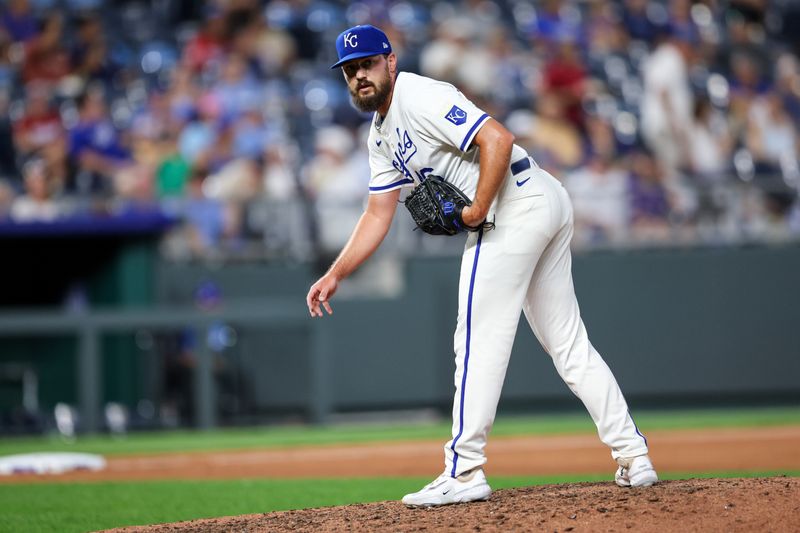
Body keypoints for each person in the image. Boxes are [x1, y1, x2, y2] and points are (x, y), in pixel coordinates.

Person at [305, 25, 658, 507]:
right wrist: (336, 272)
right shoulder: (380, 135)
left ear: (390, 61)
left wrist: (475, 210)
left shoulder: (420, 94)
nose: (359, 76)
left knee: (475, 340)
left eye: (367, 63)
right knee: (567, 344)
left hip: (515, 204)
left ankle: (464, 469)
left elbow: (497, 138)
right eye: (350, 70)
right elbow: (376, 213)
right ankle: (634, 456)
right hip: (538, 201)